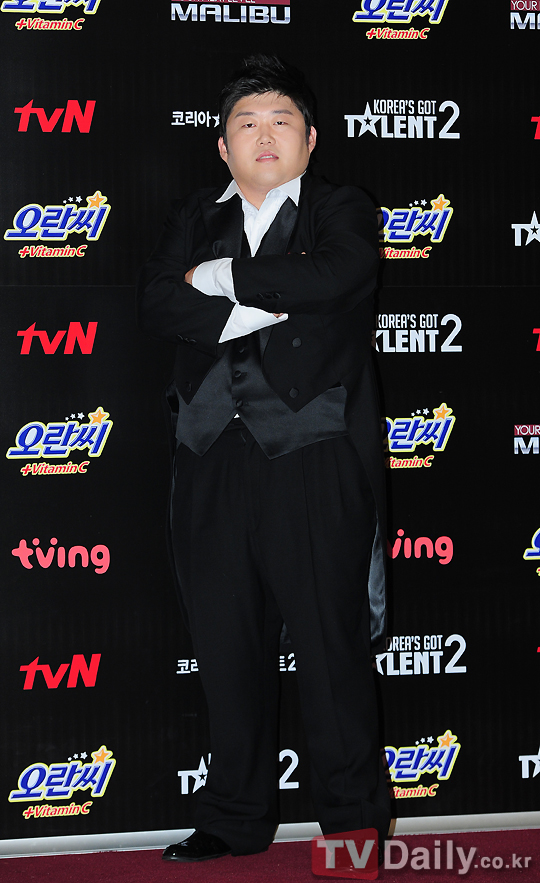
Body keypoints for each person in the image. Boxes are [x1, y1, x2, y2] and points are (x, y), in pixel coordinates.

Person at [138, 54, 391, 863]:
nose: (264, 134)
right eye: (245, 123)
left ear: (311, 139)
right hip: (210, 458)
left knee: (330, 648)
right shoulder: (193, 214)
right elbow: (159, 300)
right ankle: (236, 815)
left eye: (282, 120)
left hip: (313, 457)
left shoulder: (341, 209)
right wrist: (249, 304)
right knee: (226, 646)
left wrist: (219, 278)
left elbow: (338, 275)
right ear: (223, 147)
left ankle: (352, 826)